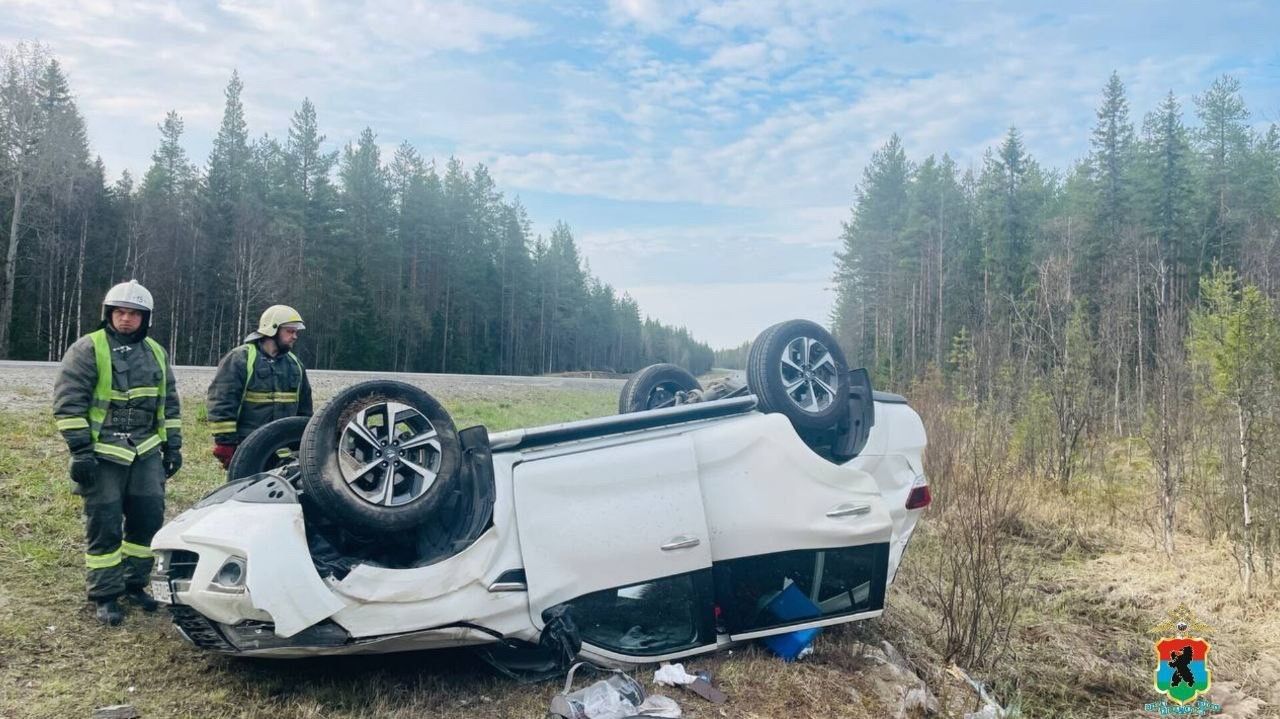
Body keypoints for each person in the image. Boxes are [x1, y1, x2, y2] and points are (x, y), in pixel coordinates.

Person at [52, 280, 182, 625]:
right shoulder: (87, 349)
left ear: (145, 319)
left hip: (146, 452)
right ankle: (105, 595)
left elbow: (168, 404)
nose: (126, 319)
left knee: (147, 519)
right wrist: (80, 451)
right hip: (102, 453)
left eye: (133, 314)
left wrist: (173, 447)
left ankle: (134, 583)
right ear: (108, 314)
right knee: (105, 523)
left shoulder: (156, 351)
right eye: (120, 312)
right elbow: (68, 404)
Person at [206, 305, 313, 470]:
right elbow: (222, 402)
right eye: (290, 331)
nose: (295, 337)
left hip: (284, 455)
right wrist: (225, 443)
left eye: (296, 332)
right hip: (248, 449)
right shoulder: (240, 359)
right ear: (273, 330)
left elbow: (305, 411)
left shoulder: (295, 365)